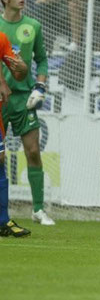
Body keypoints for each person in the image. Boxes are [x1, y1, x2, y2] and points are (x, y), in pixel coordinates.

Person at [0, 0, 55, 226]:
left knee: (33, 151)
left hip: (23, 97)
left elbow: (42, 60)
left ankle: (38, 209)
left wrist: (40, 85)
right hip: (0, 98)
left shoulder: (33, 26)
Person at [0, 25, 30, 237]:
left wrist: (22, 68)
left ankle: (3, 221)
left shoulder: (1, 39)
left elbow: (18, 74)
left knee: (0, 159)